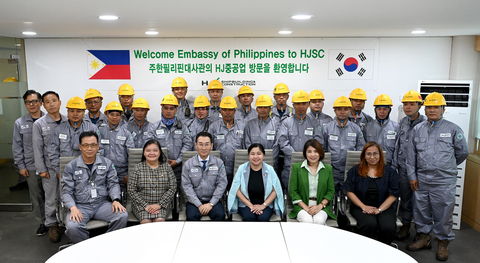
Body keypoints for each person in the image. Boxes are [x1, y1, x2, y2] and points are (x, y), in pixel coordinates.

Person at [406, 92, 469, 261]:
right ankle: (424, 238)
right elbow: (410, 156)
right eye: (429, 107)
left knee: (444, 212)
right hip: (422, 179)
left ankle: (443, 241)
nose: (432, 110)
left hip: (444, 180)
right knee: (421, 210)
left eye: (436, 107)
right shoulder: (417, 129)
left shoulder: (453, 129)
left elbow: (463, 152)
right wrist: (412, 175)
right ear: (425, 109)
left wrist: (446, 167)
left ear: (443, 109)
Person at [62, 131, 127, 244]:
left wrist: (116, 200)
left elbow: (113, 183)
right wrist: (73, 208)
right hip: (80, 206)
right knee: (73, 227)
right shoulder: (71, 166)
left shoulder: (107, 163)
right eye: (86, 145)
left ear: (97, 146)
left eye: (93, 145)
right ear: (80, 147)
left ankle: (107, 244)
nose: (89, 148)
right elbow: (66, 191)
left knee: (122, 215)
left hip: (101, 204)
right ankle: (86, 248)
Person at [342, 142, 400, 245]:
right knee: (369, 224)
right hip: (360, 206)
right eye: (368, 154)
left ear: (380, 155)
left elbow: (394, 194)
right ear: (364, 156)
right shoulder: (355, 171)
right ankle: (366, 250)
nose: (372, 157)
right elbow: (349, 191)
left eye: (375, 153)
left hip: (384, 206)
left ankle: (383, 251)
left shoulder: (390, 172)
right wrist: (363, 206)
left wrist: (379, 209)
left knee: (387, 227)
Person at [32, 91, 67, 243]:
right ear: (43, 105)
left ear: (60, 102)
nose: (51, 104)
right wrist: (42, 169)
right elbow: (37, 149)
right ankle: (52, 224)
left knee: (67, 196)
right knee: (51, 198)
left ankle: (65, 222)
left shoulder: (67, 121)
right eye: (47, 101)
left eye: (54, 100)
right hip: (49, 169)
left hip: (67, 168)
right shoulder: (39, 124)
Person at [392, 90, 426, 240]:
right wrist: (395, 166)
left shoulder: (425, 124)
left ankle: (422, 232)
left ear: (419, 105)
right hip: (403, 168)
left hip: (420, 170)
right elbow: (397, 145)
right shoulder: (402, 123)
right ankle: (405, 226)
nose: (408, 107)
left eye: (412, 104)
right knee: (405, 199)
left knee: (421, 202)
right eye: (405, 104)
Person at [12, 90, 46, 235]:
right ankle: (42, 222)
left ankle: (55, 221)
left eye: (34, 101)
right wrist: (21, 166)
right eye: (28, 102)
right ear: (25, 104)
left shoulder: (50, 119)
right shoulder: (20, 123)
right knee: (36, 196)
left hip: (49, 165)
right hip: (31, 166)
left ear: (40, 102)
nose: (31, 104)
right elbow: (17, 146)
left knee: (53, 195)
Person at [278, 90, 323, 191]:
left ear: (308, 105)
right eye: (298, 104)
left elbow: (319, 142)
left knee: (309, 195)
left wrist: (308, 156)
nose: (301, 106)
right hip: (290, 166)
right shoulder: (286, 122)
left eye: (304, 103)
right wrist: (296, 155)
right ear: (293, 105)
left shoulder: (314, 123)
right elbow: (283, 143)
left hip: (310, 166)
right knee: (290, 195)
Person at [228, 143, 284, 221]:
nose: (255, 157)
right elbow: (237, 190)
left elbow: (276, 191)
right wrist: (251, 206)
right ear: (249, 156)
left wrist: (263, 206)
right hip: (245, 204)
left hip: (266, 204)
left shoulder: (270, 169)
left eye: (259, 154)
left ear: (263, 155)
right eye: (252, 154)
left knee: (263, 218)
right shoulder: (241, 168)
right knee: (249, 217)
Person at [146, 94, 193, 187]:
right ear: (162, 109)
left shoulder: (183, 127)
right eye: (166, 108)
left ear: (176, 110)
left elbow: (188, 145)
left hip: (179, 170)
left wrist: (178, 161)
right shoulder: (154, 127)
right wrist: (160, 161)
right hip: (158, 170)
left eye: (171, 108)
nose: (168, 111)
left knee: (179, 195)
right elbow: (149, 147)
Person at [49, 96, 99, 180]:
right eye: (72, 111)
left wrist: (94, 169)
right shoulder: (59, 129)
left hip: (87, 168)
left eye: (78, 111)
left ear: (83, 113)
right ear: (68, 112)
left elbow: (99, 150)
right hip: (65, 168)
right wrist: (59, 170)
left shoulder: (92, 128)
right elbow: (53, 152)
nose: (75, 114)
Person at [322, 96, 366, 191]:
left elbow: (361, 150)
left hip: (350, 171)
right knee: (330, 197)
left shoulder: (356, 129)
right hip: (331, 171)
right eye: (339, 109)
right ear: (334, 111)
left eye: (346, 109)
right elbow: (323, 150)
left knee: (348, 197)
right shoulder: (327, 128)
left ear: (350, 110)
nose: (342, 112)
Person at [128, 139, 176, 223]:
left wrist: (159, 205)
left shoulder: (167, 167)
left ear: (160, 152)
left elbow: (172, 188)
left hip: (162, 205)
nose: (151, 153)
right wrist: (145, 205)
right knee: (146, 221)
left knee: (159, 220)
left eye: (155, 150)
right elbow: (131, 190)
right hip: (141, 205)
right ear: (144, 153)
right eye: (148, 150)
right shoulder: (137, 168)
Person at [289, 139, 336, 225]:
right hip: (302, 206)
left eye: (316, 151)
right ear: (305, 153)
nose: (313, 155)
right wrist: (306, 208)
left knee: (319, 221)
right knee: (307, 220)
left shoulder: (328, 169)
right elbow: (293, 191)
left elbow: (330, 191)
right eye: (309, 151)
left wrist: (320, 206)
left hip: (321, 206)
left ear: (320, 153)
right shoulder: (297, 167)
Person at [182, 132, 227, 221]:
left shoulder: (219, 163)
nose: (203, 148)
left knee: (220, 215)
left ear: (211, 146)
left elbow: (222, 184)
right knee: (191, 216)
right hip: (194, 202)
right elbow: (187, 187)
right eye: (200, 144)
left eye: (207, 144)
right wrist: (199, 204)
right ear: (196, 145)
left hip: (213, 201)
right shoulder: (188, 164)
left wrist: (211, 204)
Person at [208, 96, 245, 189]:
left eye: (230, 110)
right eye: (224, 110)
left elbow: (246, 148)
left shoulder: (242, 127)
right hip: (218, 170)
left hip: (237, 170)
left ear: (235, 111)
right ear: (220, 111)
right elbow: (209, 148)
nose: (227, 113)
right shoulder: (213, 127)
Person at [98, 101, 135, 188]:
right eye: (112, 114)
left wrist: (129, 174)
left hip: (122, 173)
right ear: (106, 116)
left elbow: (131, 155)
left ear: (121, 117)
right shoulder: (99, 132)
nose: (115, 117)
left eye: (117, 115)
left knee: (122, 197)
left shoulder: (126, 133)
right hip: (103, 172)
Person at [363, 94, 400, 166]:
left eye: (385, 109)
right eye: (379, 109)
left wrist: (393, 167)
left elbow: (397, 150)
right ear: (375, 110)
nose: (382, 112)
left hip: (389, 166)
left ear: (389, 110)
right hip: (370, 165)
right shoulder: (367, 127)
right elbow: (364, 148)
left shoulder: (396, 127)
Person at [244, 94, 279, 164]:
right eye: (260, 107)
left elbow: (277, 145)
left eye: (265, 107)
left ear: (270, 109)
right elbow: (247, 143)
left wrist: (268, 158)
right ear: (256, 109)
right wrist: (255, 158)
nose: (262, 110)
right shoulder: (249, 125)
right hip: (253, 162)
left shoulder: (276, 124)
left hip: (271, 162)